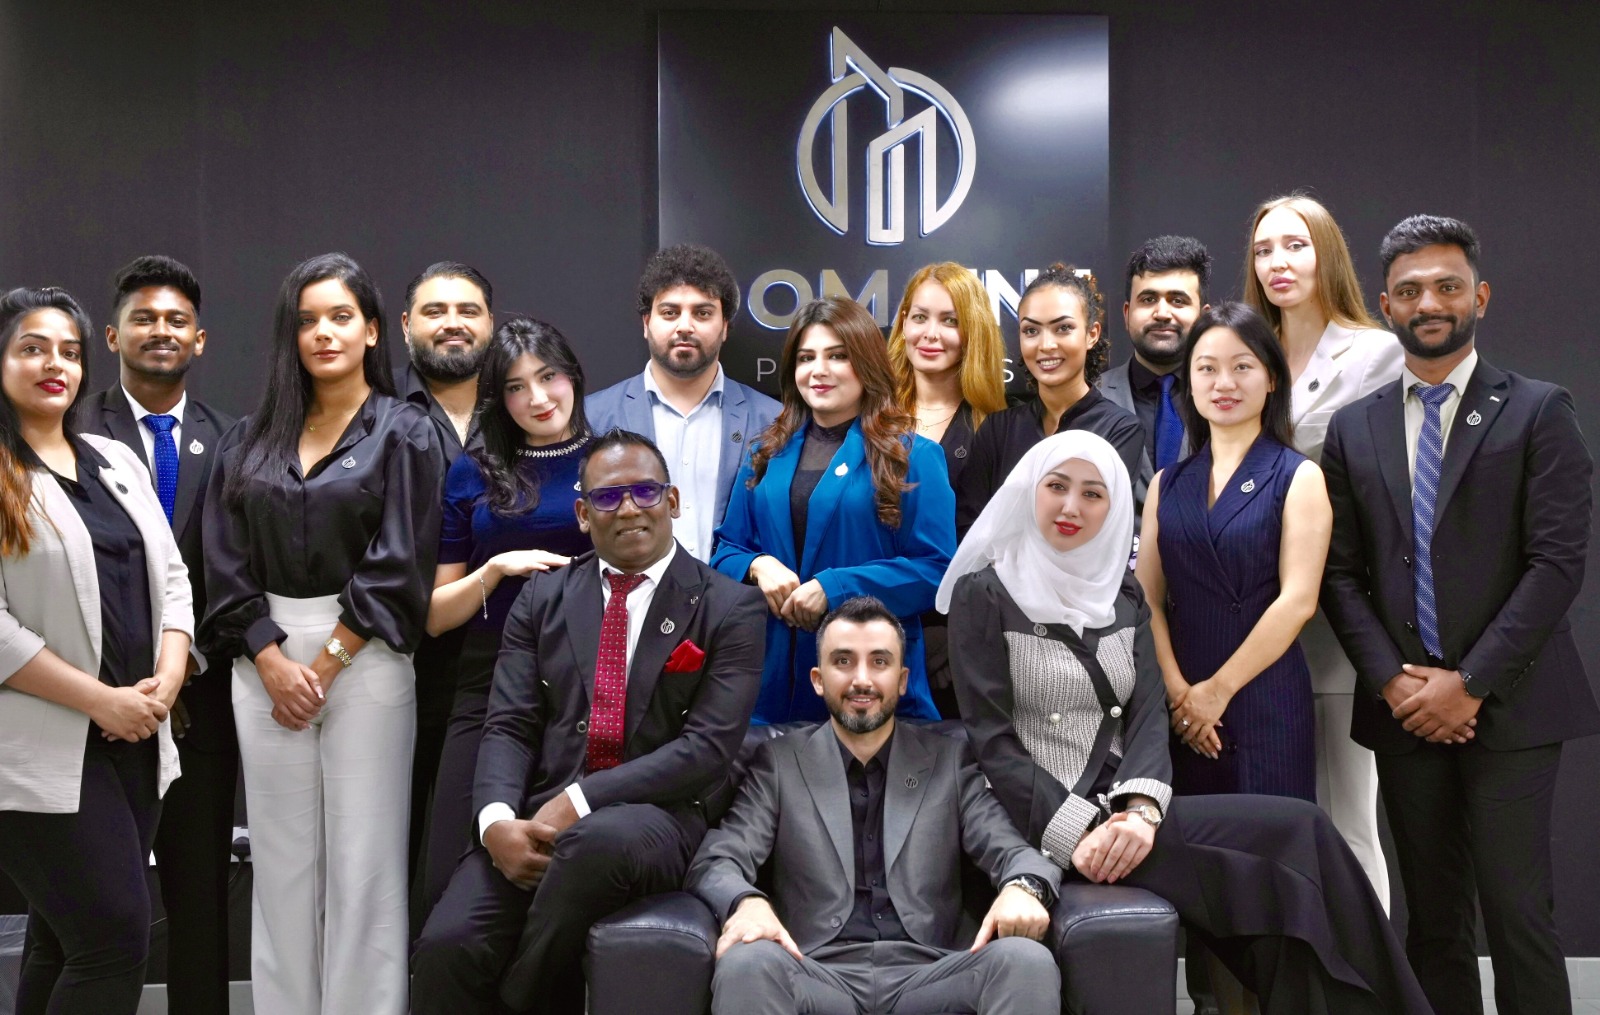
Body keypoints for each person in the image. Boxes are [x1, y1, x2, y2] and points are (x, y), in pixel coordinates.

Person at [941, 430, 1432, 1014]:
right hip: (1045, 821)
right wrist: (1082, 832)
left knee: (1305, 838)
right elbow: (992, 741)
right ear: (1029, 490)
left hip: (1133, 819)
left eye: (1093, 494)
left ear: (1114, 507)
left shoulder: (1122, 595)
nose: (1072, 506)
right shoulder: (984, 593)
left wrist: (1141, 813)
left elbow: (1148, 715)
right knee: (1287, 873)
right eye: (1057, 487)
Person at [1321, 214, 1598, 1015]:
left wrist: (1468, 684)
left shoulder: (1539, 410)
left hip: (1510, 704)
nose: (1429, 303)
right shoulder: (1354, 426)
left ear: (1480, 296)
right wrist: (1395, 683)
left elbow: (1556, 566)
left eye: (1447, 286)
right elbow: (1339, 574)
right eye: (1409, 290)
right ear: (1386, 305)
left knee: (1518, 914)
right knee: (1434, 922)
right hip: (1405, 710)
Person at [411, 429, 765, 1014]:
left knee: (597, 841)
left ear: (673, 501)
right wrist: (496, 821)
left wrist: (580, 801)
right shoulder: (540, 599)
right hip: (539, 813)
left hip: (658, 817)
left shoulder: (730, 607)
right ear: (582, 514)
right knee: (448, 943)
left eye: (645, 492)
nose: (628, 508)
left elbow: (705, 750)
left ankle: (518, 1002)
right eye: (606, 497)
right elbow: (509, 725)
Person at [201, 252, 446, 1015]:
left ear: (372, 329)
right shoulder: (248, 439)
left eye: (341, 316)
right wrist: (270, 657)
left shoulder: (406, 430)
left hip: (368, 659)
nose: (323, 333)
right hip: (262, 662)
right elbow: (223, 562)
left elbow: (400, 562)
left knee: (364, 863)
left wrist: (330, 660)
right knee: (279, 864)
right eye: (307, 320)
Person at [687, 596, 1062, 1015]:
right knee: (747, 961)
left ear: (902, 680)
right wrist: (747, 903)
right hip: (813, 970)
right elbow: (719, 858)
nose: (861, 680)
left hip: (934, 973)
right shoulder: (780, 763)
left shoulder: (949, 761)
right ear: (818, 679)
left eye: (879, 662)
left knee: (1025, 960)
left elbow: (1013, 851)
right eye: (843, 661)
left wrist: (1022, 888)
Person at [0, 287, 195, 1014]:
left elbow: (171, 578)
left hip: (136, 736)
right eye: (32, 348)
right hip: (40, 744)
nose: (55, 364)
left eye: (70, 352)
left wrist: (166, 681)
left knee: (62, 941)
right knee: (113, 940)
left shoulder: (113, 458)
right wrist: (101, 701)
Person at [80, 255, 236, 1015]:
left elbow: (235, 570)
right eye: (143, 318)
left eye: (177, 320)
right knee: (84, 910)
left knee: (201, 901)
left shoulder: (233, 440)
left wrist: (182, 668)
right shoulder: (71, 432)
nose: (161, 331)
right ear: (113, 336)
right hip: (90, 707)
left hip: (200, 707)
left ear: (199, 340)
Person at [1244, 194, 1402, 903]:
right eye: (1263, 250)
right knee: (1271, 823)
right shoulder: (1244, 353)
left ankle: (1365, 967)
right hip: (1246, 617)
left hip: (1334, 620)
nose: (1278, 262)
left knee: (1347, 821)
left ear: (1327, 253)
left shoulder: (1377, 354)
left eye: (1295, 245)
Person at [415, 316, 594, 918]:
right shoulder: (474, 469)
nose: (538, 398)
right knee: (447, 869)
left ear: (573, 377)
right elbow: (436, 616)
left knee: (562, 869)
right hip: (487, 680)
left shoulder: (610, 459)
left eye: (549, 377)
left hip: (588, 682)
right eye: (517, 387)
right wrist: (494, 569)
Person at [712, 296, 955, 725]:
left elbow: (937, 572)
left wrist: (836, 587)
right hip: (770, 689)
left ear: (866, 363)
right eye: (806, 358)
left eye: (837, 356)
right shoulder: (764, 453)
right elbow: (725, 551)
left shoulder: (914, 456)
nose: (818, 370)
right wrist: (757, 565)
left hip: (870, 688)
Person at [1135, 302, 1328, 802]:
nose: (1224, 383)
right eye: (1207, 368)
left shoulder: (1297, 476)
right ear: (1189, 381)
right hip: (1182, 707)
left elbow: (1298, 602)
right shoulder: (1166, 484)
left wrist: (1217, 692)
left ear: (1271, 378)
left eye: (1242, 366)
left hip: (1265, 697)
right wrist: (1180, 694)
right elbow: (1147, 598)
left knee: (1271, 841)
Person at [587, 244, 779, 561]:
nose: (685, 326)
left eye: (702, 313)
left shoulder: (773, 422)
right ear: (646, 323)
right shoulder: (593, 418)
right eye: (670, 313)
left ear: (725, 327)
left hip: (734, 590)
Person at [398, 260, 494, 891]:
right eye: (435, 311)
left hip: (504, 663)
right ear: (405, 326)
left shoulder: (525, 410)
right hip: (395, 659)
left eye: (468, 311)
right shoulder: (374, 412)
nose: (452, 323)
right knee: (398, 838)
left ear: (490, 324)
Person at [884, 262, 1008, 716]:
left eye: (949, 320)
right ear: (903, 324)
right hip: (867, 633)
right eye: (919, 317)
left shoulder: (996, 428)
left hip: (957, 652)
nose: (930, 334)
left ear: (972, 332)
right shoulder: (866, 420)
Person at [956, 263, 1142, 538]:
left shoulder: (1120, 430)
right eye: (1031, 331)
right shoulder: (997, 431)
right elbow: (969, 532)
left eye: (1063, 328)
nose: (1045, 345)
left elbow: (1101, 534)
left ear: (1092, 334)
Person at [1098, 236, 1211, 521]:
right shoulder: (1092, 398)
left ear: (1203, 317)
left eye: (1178, 300)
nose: (1162, 313)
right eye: (1148, 300)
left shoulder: (1231, 399)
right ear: (1127, 314)